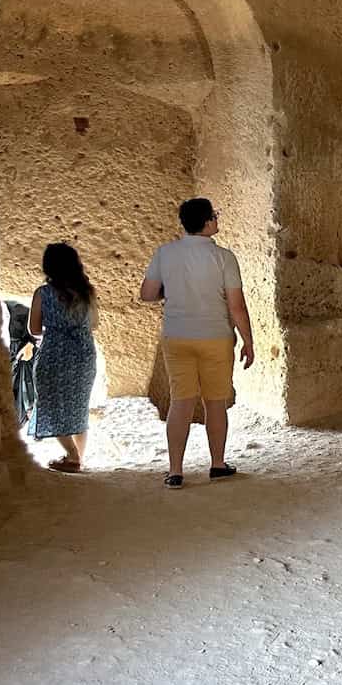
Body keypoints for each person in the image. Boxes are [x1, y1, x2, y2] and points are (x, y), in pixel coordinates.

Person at [140, 197, 255, 489]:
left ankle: (175, 471)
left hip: (177, 336)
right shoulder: (224, 257)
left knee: (181, 402)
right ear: (206, 221)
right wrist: (247, 340)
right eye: (215, 215)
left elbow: (148, 294)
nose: (217, 219)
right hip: (216, 336)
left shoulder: (165, 254)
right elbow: (237, 306)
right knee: (215, 403)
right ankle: (217, 464)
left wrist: (175, 291)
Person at [28, 242, 98, 473]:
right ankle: (77, 456)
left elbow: (34, 329)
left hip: (55, 355)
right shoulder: (87, 292)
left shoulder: (44, 293)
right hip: (84, 355)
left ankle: (72, 455)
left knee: (51, 403)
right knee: (79, 405)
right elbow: (94, 324)